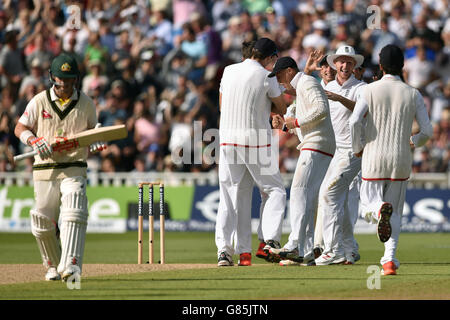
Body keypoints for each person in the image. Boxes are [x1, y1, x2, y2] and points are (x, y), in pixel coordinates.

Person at [14, 54, 106, 281]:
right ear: (52, 77)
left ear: (76, 79)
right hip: (45, 168)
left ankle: (72, 266)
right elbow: (20, 127)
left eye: (69, 79)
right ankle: (52, 265)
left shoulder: (86, 103)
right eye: (60, 79)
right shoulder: (39, 101)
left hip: (74, 166)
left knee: (73, 210)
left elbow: (93, 133)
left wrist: (97, 140)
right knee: (42, 220)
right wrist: (34, 141)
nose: (64, 85)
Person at [349, 44, 433, 275]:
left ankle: (378, 211)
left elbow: (355, 122)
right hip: (401, 158)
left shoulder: (369, 90)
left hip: (374, 155)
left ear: (381, 64)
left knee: (368, 205)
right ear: (403, 65)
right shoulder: (412, 93)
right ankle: (389, 261)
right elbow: (427, 131)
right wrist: (413, 141)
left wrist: (358, 147)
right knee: (395, 212)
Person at [215, 37, 287, 267]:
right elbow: (282, 107)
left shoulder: (228, 70)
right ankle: (268, 243)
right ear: (269, 57)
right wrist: (268, 107)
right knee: (275, 190)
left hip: (227, 140)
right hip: (255, 141)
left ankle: (231, 252)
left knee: (233, 195)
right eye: (274, 58)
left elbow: (222, 104)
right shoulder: (267, 76)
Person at [269, 56, 336, 266]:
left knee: (299, 190)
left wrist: (294, 121)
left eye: (280, 77)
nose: (280, 83)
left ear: (289, 71)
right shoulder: (303, 87)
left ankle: (295, 243)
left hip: (317, 143)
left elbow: (321, 110)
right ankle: (306, 251)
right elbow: (302, 122)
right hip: (318, 144)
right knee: (307, 196)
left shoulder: (307, 83)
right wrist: (285, 125)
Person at [309, 45, 367, 266]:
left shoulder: (362, 88)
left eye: (349, 62)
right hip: (332, 153)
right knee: (336, 201)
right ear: (335, 64)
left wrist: (340, 99)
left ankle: (333, 250)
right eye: (341, 61)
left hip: (352, 151)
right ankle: (349, 249)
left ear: (354, 66)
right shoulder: (327, 87)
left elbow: (365, 112)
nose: (345, 65)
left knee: (331, 196)